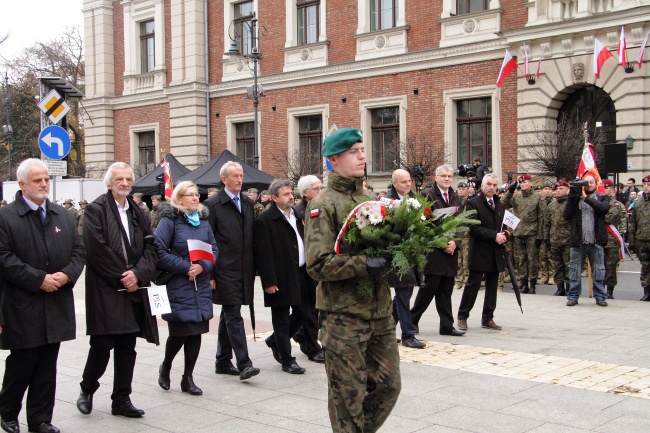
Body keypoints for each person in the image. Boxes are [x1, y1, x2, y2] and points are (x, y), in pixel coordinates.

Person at [305, 128, 401, 432]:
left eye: (362, 149)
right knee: (348, 396)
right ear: (334, 159)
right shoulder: (323, 204)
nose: (363, 156)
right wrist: (365, 263)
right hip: (343, 316)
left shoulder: (368, 197)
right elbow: (317, 265)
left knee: (389, 387)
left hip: (380, 312)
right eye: (354, 151)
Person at [0, 159, 85, 433]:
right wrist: (39, 280)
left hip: (56, 302)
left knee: (47, 366)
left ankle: (40, 419)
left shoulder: (63, 215)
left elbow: (79, 251)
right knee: (22, 363)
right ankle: (8, 413)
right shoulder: (6, 217)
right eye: (37, 180)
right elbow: (4, 258)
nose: (44, 184)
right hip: (23, 305)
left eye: (46, 179)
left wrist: (67, 275)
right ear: (22, 184)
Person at [76, 162, 159, 418]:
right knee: (102, 344)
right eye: (119, 179)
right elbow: (96, 249)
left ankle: (121, 399)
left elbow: (150, 246)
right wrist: (124, 276)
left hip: (134, 288)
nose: (124, 183)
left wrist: (138, 274)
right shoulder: (95, 210)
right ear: (110, 183)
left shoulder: (138, 211)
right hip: (106, 288)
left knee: (127, 346)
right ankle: (87, 389)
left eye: (128, 179)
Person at [155, 181, 218, 395]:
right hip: (178, 283)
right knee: (180, 331)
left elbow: (214, 251)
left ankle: (187, 378)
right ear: (179, 198)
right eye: (190, 195)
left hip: (199, 284)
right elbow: (159, 251)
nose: (195, 198)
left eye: (196, 195)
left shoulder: (202, 221)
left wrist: (202, 267)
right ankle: (166, 366)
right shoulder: (169, 220)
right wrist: (185, 268)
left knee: (196, 331)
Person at [204, 161, 260, 380]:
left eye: (240, 175)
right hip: (223, 270)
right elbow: (207, 242)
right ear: (224, 179)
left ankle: (222, 360)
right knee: (234, 314)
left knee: (229, 314)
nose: (239, 179)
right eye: (234, 176)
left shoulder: (246, 203)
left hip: (243, 269)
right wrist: (210, 274)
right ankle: (244, 363)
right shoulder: (213, 205)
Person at [255, 179, 315, 374]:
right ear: (274, 198)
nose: (291, 197)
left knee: (304, 311)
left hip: (301, 272)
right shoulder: (265, 220)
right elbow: (264, 254)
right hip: (280, 276)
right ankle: (287, 359)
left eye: (291, 193)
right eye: (286, 194)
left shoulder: (296, 215)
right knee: (280, 319)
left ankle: (274, 341)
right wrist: (269, 281)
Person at [412, 165, 465, 337]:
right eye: (443, 176)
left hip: (450, 249)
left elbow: (461, 223)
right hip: (433, 249)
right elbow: (422, 223)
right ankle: (413, 320)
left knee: (446, 289)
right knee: (430, 287)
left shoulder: (456, 197)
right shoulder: (427, 195)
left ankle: (446, 325)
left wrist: (455, 243)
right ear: (436, 177)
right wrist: (440, 242)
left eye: (450, 176)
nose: (447, 179)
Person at [457, 174, 506, 332]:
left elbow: (503, 225)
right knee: (473, 285)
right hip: (479, 250)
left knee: (492, 287)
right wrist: (494, 236)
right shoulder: (473, 203)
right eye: (488, 184)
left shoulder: (499, 204)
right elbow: (472, 228)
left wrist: (506, 235)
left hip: (495, 251)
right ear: (482, 186)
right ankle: (463, 316)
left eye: (494, 185)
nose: (491, 187)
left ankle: (488, 318)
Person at [385, 169, 425, 348]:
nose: (408, 184)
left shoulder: (413, 199)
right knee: (403, 294)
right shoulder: (387, 201)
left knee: (405, 293)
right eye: (404, 182)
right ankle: (408, 335)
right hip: (397, 254)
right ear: (394, 183)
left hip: (412, 252)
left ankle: (386, 330)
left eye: (409, 181)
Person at [563, 173, 610, 307]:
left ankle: (600, 296)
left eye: (591, 182)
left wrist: (585, 198)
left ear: (596, 185)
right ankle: (573, 296)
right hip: (579, 241)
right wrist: (573, 197)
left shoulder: (602, 198)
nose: (589, 184)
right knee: (574, 270)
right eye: (586, 182)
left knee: (599, 270)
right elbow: (566, 215)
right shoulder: (575, 199)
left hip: (596, 241)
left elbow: (603, 209)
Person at [291, 175, 324, 364]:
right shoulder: (299, 212)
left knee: (311, 309)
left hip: (318, 264)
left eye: (321, 187)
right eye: (316, 188)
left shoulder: (320, 208)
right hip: (304, 268)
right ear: (305, 193)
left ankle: (301, 334)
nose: (320, 191)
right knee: (310, 309)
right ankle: (313, 348)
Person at [502, 174, 544, 294]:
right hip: (519, 232)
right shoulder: (517, 198)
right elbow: (503, 204)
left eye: (525, 182)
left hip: (532, 232)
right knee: (521, 259)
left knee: (532, 259)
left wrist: (540, 235)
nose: (523, 184)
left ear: (531, 183)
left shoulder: (538, 197)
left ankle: (533, 284)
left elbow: (542, 217)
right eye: (521, 182)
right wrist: (510, 191)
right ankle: (523, 283)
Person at [545, 181, 571, 296]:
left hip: (568, 241)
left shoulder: (571, 203)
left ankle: (570, 287)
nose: (558, 191)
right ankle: (560, 287)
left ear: (567, 190)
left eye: (561, 188)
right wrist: (546, 239)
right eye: (557, 189)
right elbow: (547, 223)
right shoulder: (551, 205)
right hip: (554, 240)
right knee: (557, 266)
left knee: (569, 266)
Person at [627, 175, 650, 301]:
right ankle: (647, 291)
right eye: (645, 185)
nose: (646, 187)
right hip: (642, 239)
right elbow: (633, 223)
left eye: (648, 185)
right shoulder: (639, 202)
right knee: (645, 266)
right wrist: (632, 241)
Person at [602, 179, 625, 299]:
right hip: (600, 238)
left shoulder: (615, 204)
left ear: (612, 189)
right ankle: (600, 288)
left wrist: (598, 212)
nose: (604, 190)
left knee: (610, 266)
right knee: (599, 265)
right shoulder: (599, 202)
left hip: (611, 239)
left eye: (606, 188)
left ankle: (609, 290)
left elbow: (609, 218)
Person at [454, 181, 470, 290]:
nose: (461, 190)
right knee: (457, 259)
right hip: (456, 234)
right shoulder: (454, 203)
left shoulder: (470, 203)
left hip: (466, 235)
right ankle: (458, 280)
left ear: (467, 190)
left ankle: (466, 280)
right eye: (459, 188)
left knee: (466, 259)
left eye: (463, 188)